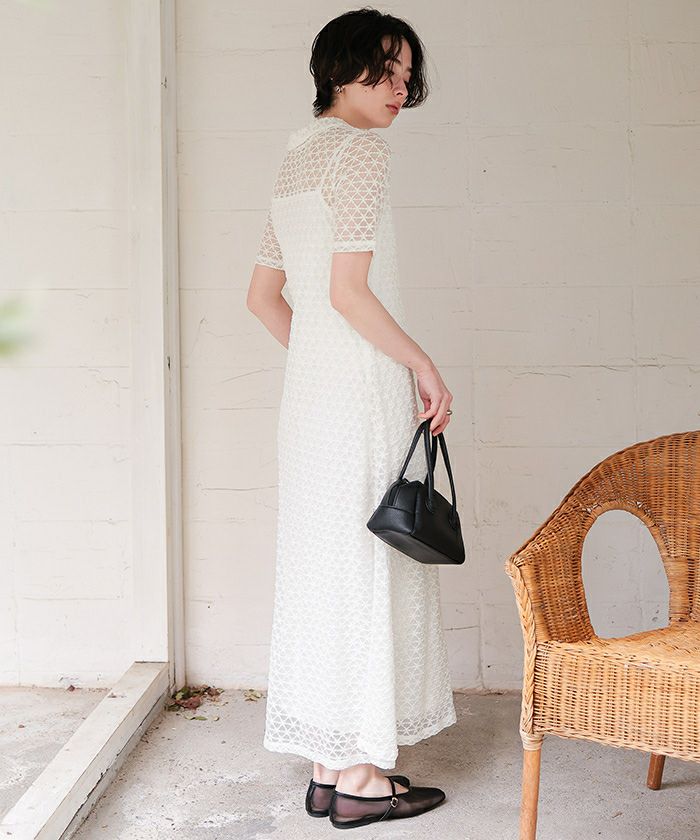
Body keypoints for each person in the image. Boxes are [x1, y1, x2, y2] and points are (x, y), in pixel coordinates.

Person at [247, 8, 456, 828]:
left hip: (311, 403)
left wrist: (320, 364)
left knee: (325, 567)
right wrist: (421, 363)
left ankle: (328, 766)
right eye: (385, 69)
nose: (400, 88)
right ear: (338, 68)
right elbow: (348, 292)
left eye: (407, 74)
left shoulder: (297, 158)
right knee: (371, 566)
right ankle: (364, 780)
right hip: (361, 396)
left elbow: (263, 298)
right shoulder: (362, 153)